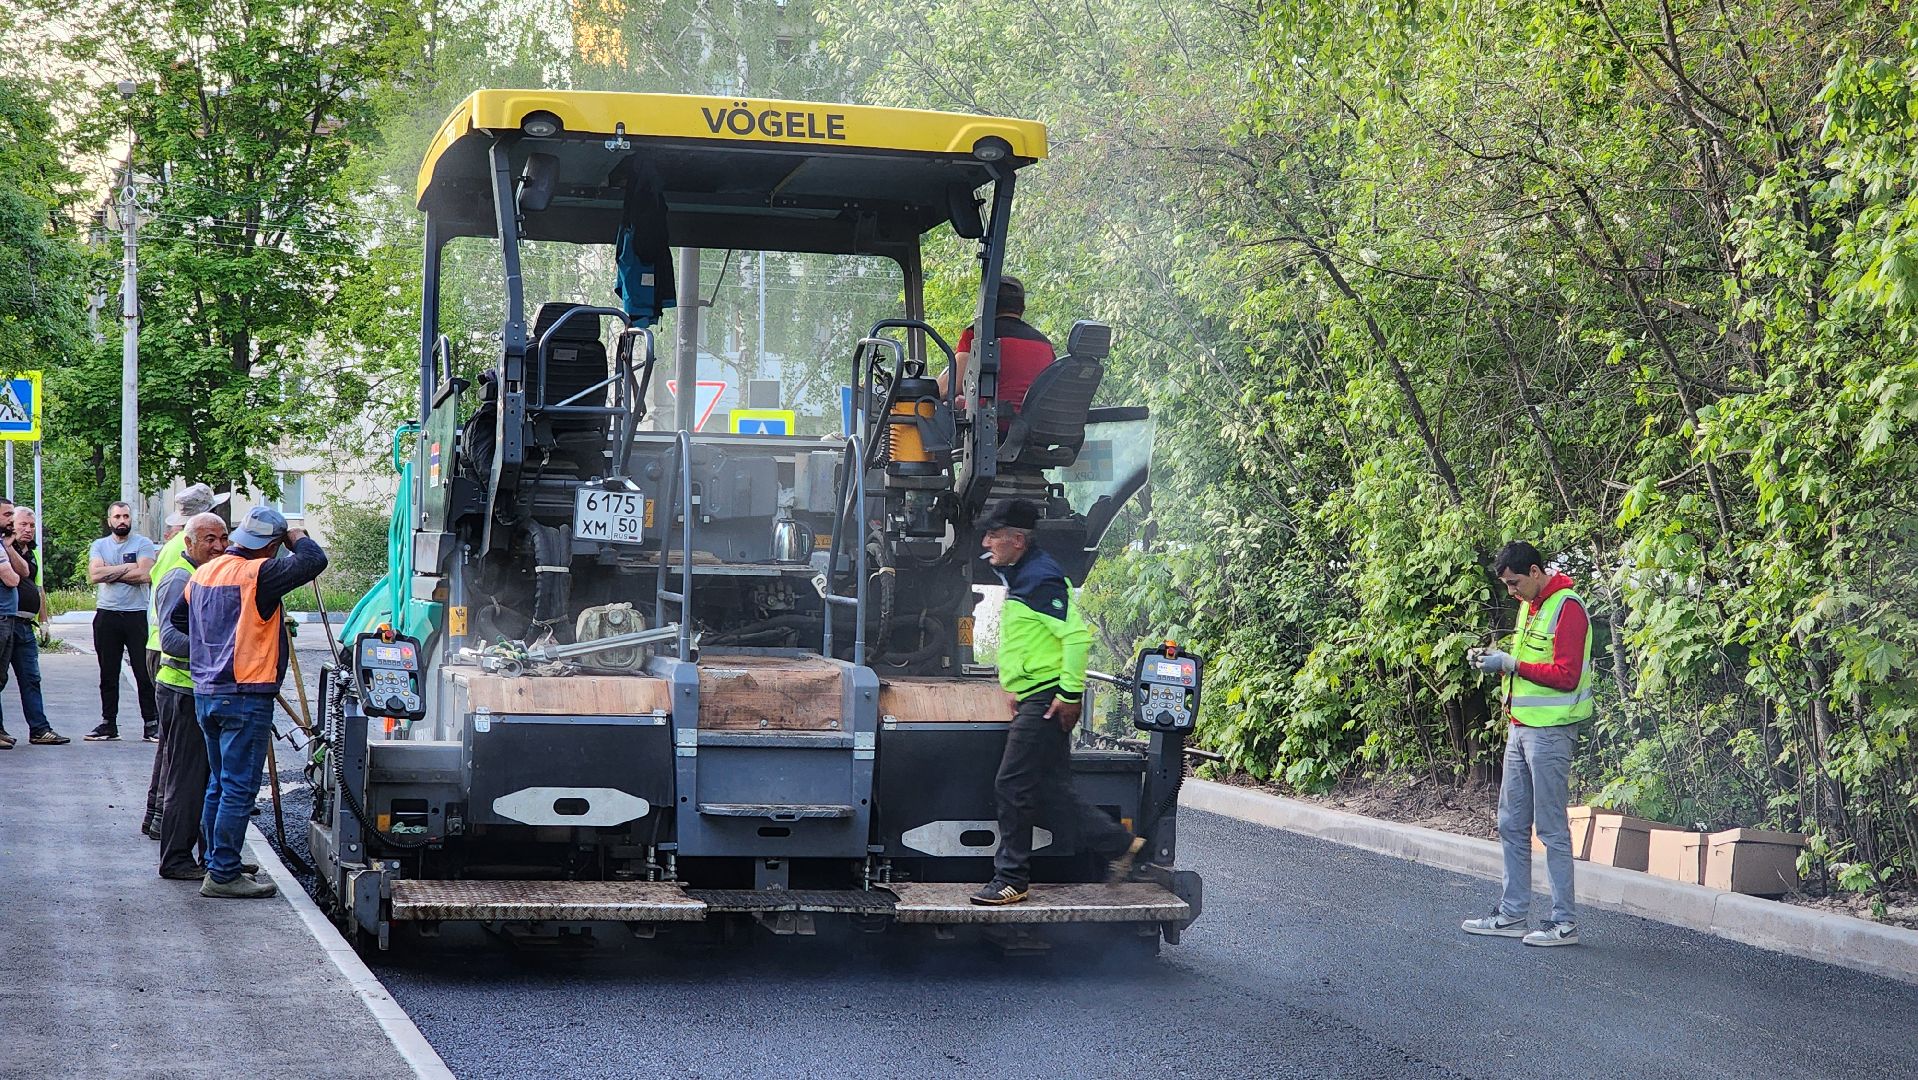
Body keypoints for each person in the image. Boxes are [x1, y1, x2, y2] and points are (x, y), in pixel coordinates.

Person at [970, 499, 1143, 906]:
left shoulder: (1041, 578)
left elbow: (1077, 638)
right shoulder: (1024, 572)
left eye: (994, 535)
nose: (986, 542)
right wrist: (1016, 684)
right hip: (1036, 694)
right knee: (1051, 789)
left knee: (1010, 785)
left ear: (1017, 539)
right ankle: (1120, 845)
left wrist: (1067, 694)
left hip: (1047, 701)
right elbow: (1034, 638)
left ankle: (1011, 878)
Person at [173, 506, 326, 899]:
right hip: (244, 696)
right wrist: (297, 537)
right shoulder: (260, 572)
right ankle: (223, 875)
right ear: (271, 546)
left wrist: (215, 645)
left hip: (207, 693)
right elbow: (314, 561)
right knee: (239, 789)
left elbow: (178, 621)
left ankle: (216, 860)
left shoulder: (205, 571)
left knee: (219, 785)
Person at [1461, 541, 1593, 948]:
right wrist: (1493, 660)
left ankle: (1563, 923)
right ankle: (1512, 913)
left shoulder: (1568, 607)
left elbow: (1566, 676)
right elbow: (1527, 664)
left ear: (1536, 572)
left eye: (1515, 583)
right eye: (1507, 585)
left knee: (1551, 827)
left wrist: (1511, 664)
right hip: (1521, 728)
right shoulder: (1530, 604)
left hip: (1551, 732)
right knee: (1511, 823)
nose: (1511, 592)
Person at [141, 483, 229, 837]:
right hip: (172, 657)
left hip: (160, 647)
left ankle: (158, 816)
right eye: (213, 539)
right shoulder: (186, 555)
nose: (220, 546)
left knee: (170, 747)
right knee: (182, 760)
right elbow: (175, 624)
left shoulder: (180, 544)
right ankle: (167, 825)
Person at [155, 513, 235, 879]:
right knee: (186, 780)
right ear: (188, 543)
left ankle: (209, 859)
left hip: (198, 690)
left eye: (223, 537)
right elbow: (170, 638)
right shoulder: (180, 578)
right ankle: (175, 860)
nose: (219, 546)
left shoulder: (206, 575)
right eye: (209, 539)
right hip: (181, 690)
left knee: (206, 780)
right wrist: (219, 653)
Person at [86, 501, 161, 742]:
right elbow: (95, 575)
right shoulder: (99, 545)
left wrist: (112, 571)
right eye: (117, 516)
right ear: (109, 520)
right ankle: (109, 723)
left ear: (131, 519)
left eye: (126, 516)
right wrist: (128, 568)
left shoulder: (143, 544)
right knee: (108, 672)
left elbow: (146, 575)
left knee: (143, 671)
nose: (122, 520)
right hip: (107, 615)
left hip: (135, 615)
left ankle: (151, 723)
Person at [935, 276, 1056, 419]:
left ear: (988, 305)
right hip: (1032, 430)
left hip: (991, 427)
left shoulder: (976, 336)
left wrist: (927, 388)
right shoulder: (1045, 344)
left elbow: (950, 387)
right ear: (1021, 309)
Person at [0, 503, 66, 748]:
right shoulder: (5, 547)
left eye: (32, 525)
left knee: (31, 678)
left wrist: (44, 619)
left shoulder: (32, 552)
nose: (28, 530)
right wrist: (10, 546)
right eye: (22, 524)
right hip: (7, 620)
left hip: (26, 624)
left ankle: (39, 729)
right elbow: (17, 576)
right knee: (0, 678)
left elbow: (37, 586)